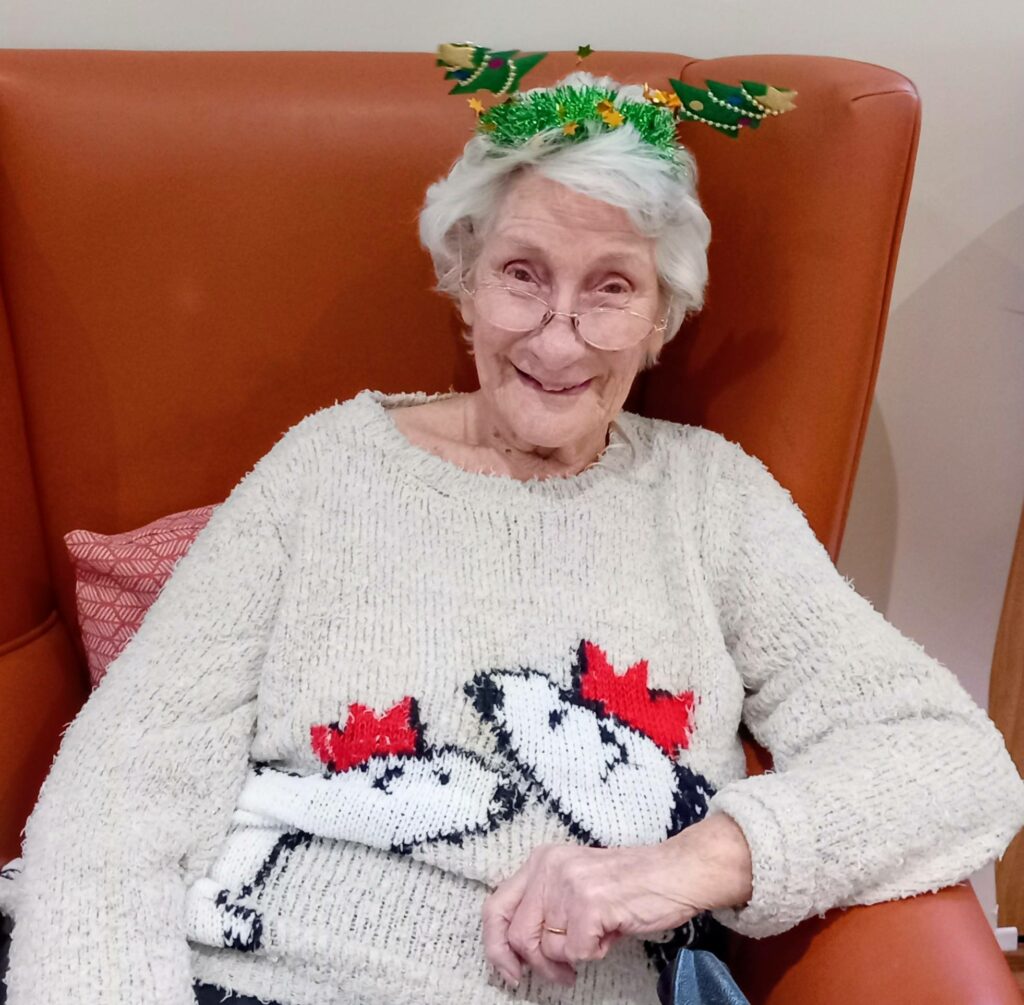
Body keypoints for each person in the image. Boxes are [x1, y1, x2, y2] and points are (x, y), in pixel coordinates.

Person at [3, 69, 1023, 1005]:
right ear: (462, 278)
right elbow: (124, 787)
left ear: (665, 314)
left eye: (612, 288)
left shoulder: (711, 501)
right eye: (522, 274)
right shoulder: (324, 468)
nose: (556, 336)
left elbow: (950, 762)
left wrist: (685, 865)